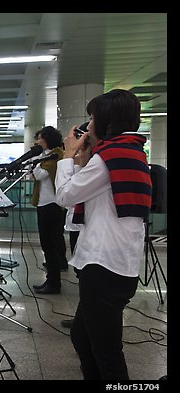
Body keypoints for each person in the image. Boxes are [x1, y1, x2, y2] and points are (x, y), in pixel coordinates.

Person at [55, 89, 151, 380]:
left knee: (107, 352)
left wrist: (68, 156)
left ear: (106, 122)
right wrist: (84, 160)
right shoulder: (128, 152)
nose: (88, 124)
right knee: (84, 339)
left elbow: (65, 196)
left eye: (92, 117)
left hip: (104, 266)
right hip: (117, 263)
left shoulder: (108, 157)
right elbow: (96, 193)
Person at [30, 126, 67, 294]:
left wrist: (36, 162)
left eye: (40, 138)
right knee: (47, 244)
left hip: (52, 205)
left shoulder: (56, 154)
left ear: (47, 139)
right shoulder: (45, 156)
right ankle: (51, 279)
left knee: (50, 244)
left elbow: (39, 175)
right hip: (43, 203)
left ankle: (54, 283)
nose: (37, 142)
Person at [60, 123, 88, 330]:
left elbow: (65, 196)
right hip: (75, 226)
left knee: (85, 275)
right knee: (81, 274)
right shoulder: (84, 166)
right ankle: (83, 315)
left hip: (84, 230)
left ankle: (85, 316)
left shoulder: (95, 167)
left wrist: (68, 155)